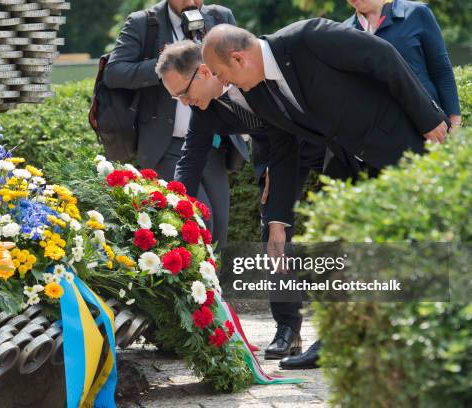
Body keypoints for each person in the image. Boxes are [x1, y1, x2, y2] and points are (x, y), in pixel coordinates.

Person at [202, 20, 449, 369]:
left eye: (221, 73)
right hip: (348, 166)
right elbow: (283, 151)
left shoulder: (309, 38)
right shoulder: (257, 92)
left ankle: (439, 337)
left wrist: (427, 116)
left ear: (239, 58)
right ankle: (336, 341)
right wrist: (278, 220)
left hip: (397, 143)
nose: (223, 83)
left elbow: (383, 56)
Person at [156, 40, 333, 362]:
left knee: (337, 226)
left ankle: (340, 332)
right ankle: (288, 328)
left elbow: (288, 130)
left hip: (323, 141)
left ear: (205, 71)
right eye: (175, 98)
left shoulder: (251, 74)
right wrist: (173, 204)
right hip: (277, 155)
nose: (183, 103)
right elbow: (191, 157)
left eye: (182, 92)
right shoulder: (204, 105)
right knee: (273, 235)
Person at [103, 0, 246, 250]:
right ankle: (197, 287)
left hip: (211, 143)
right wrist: (168, 65)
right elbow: (114, 72)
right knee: (200, 222)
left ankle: (217, 288)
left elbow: (241, 66)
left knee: (220, 228)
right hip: (166, 144)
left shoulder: (221, 17)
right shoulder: (143, 23)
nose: (192, 3)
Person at [344, 0, 462, 129]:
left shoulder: (417, 13)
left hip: (430, 126)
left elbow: (441, 70)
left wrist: (455, 123)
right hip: (378, 133)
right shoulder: (345, 31)